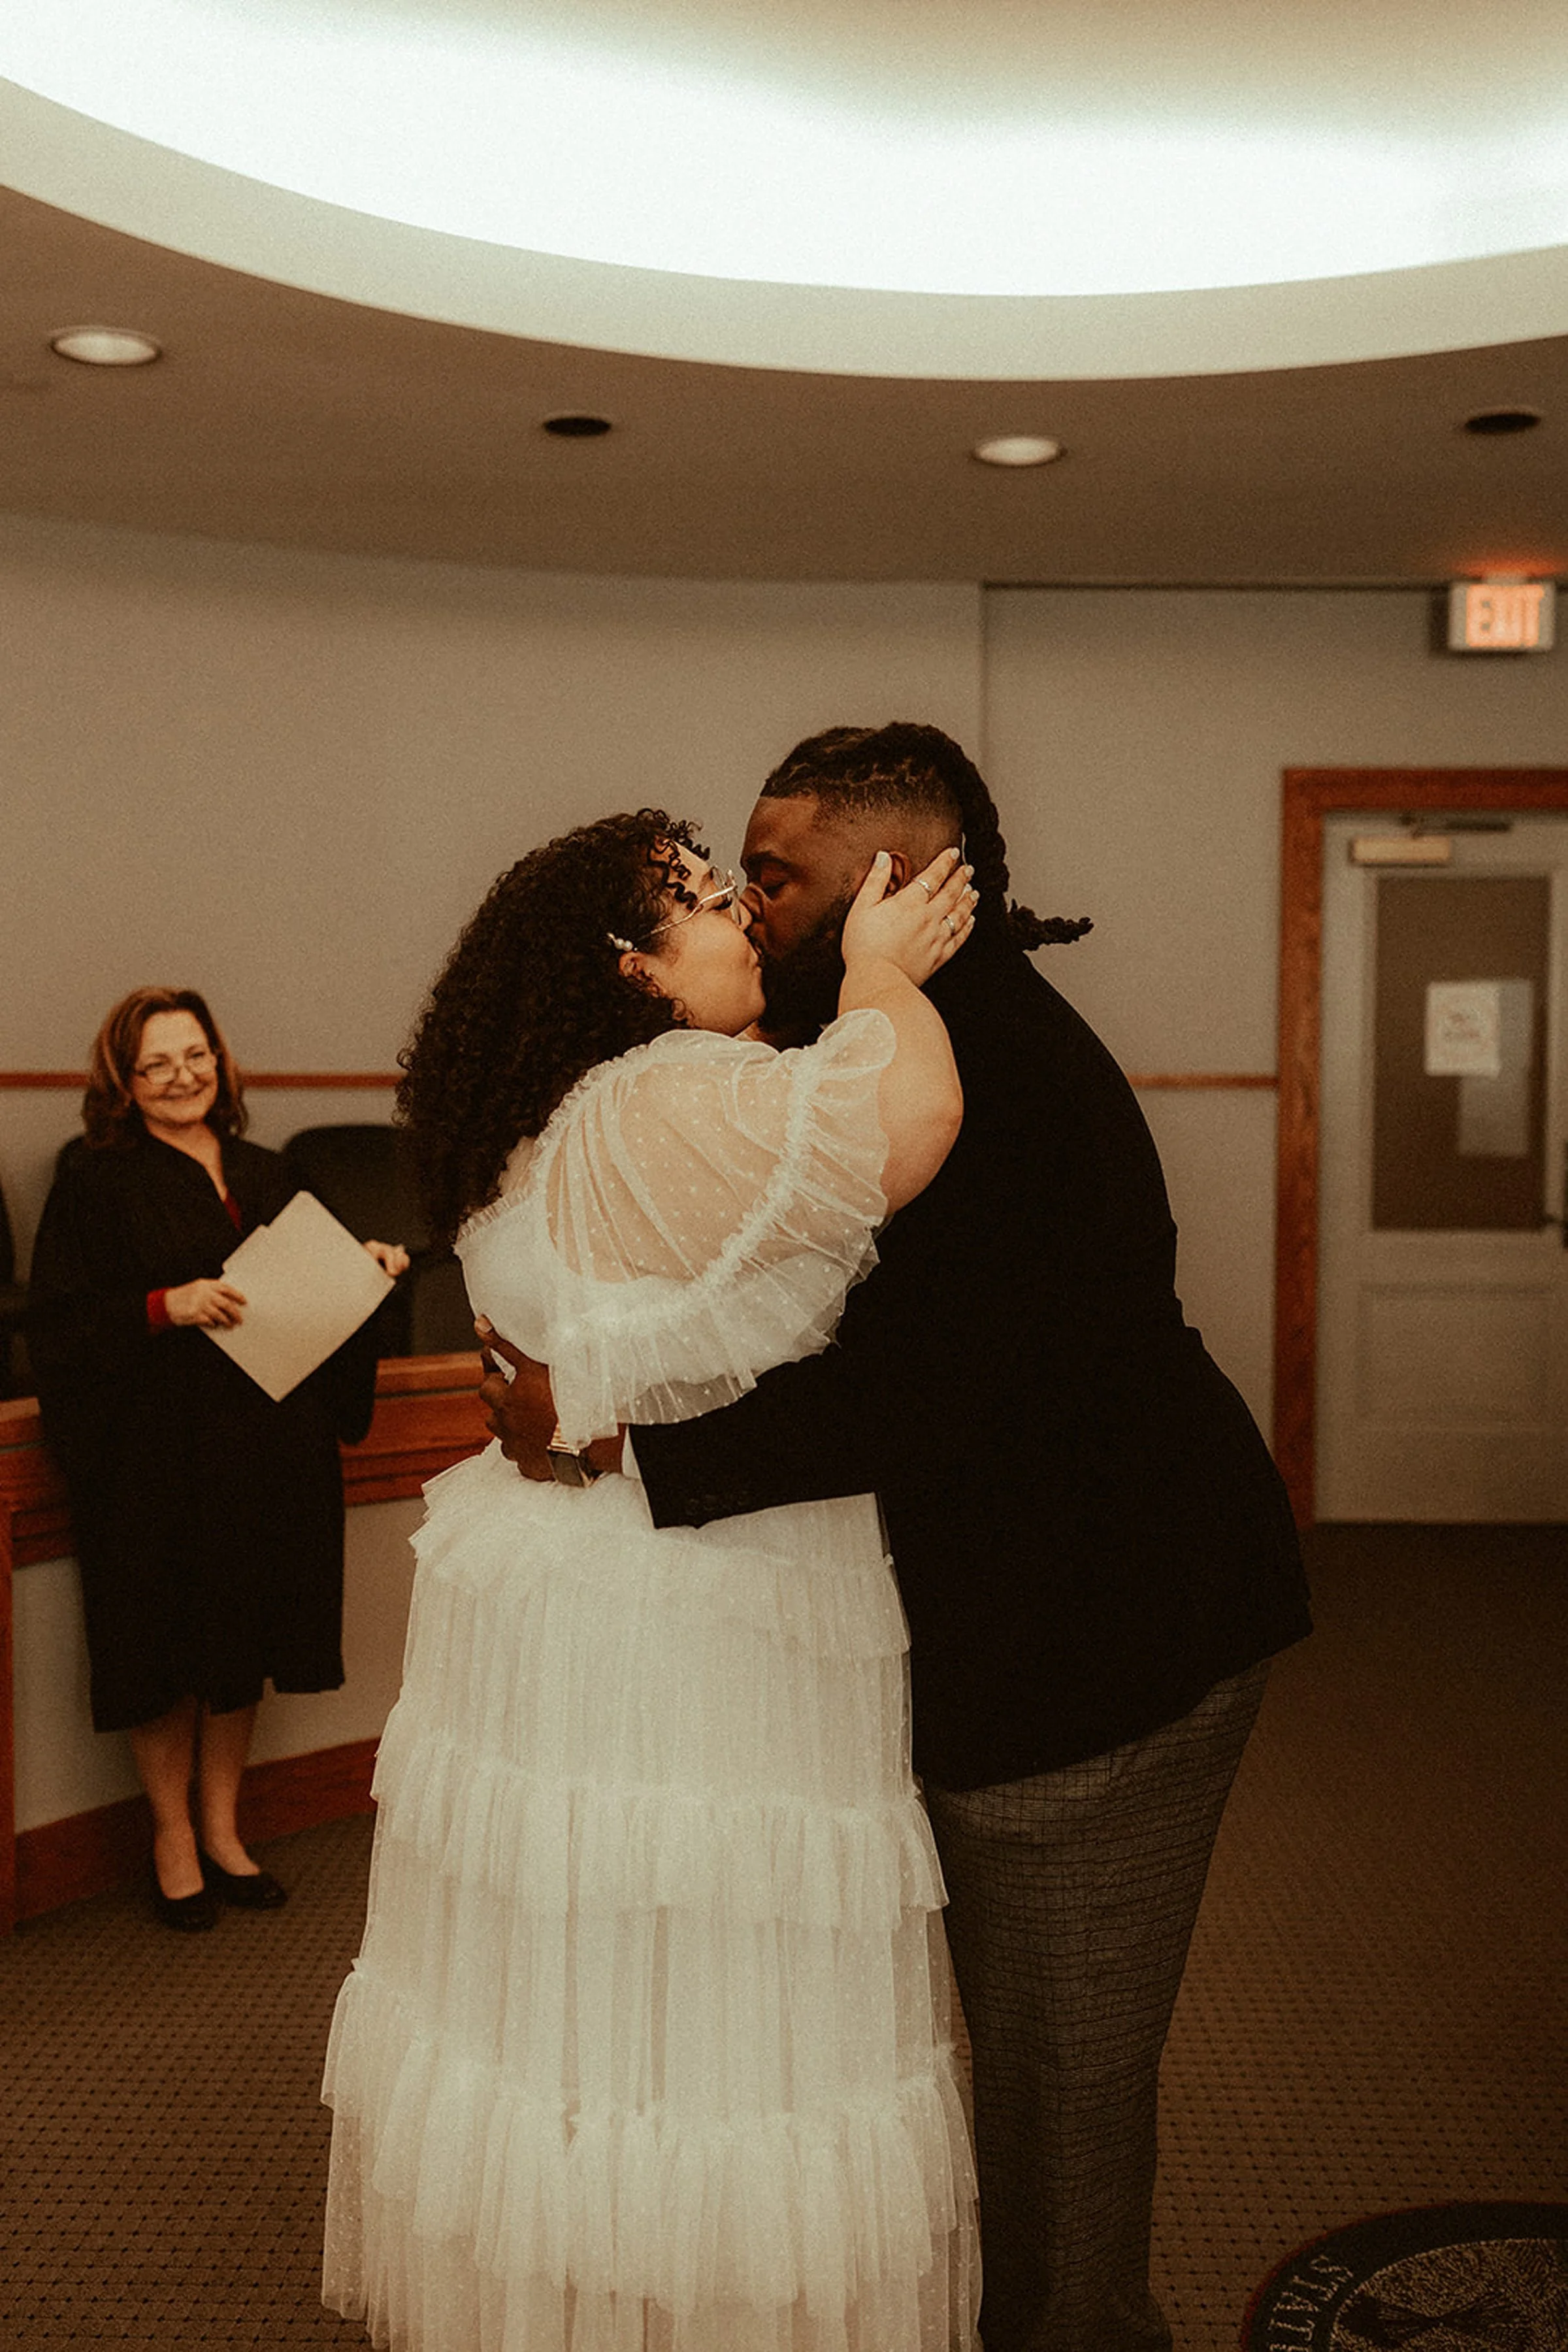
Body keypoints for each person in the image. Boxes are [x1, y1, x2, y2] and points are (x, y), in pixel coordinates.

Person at [481, 725, 1315, 2352]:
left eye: (773, 875)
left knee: (1060, 2092)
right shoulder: (899, 1032)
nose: (748, 901)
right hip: (1031, 1616)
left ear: (890, 881)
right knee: (1004, 2066)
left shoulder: (986, 1066)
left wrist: (614, 1429)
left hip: (1111, 1654)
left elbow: (930, 1395)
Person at [322, 809, 982, 2352]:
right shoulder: (666, 1088)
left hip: (583, 1582)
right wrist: (882, 969)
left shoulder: (553, 1120)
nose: (743, 918)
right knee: (708, 1998)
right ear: (633, 971)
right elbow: (908, 1123)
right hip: (692, 1607)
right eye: (700, 900)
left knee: (590, 1983)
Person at [28, 987, 408, 1931]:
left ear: (220, 1060)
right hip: (151, 1453)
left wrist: (367, 1267)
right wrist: (168, 1305)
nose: (181, 1076)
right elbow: (58, 1324)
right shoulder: (94, 1179)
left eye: (195, 1055)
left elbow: (319, 1292)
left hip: (260, 1447)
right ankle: (169, 1836)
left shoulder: (267, 1170)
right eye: (156, 1063)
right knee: (161, 1643)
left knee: (240, 1640)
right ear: (123, 1078)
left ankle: (224, 1827)